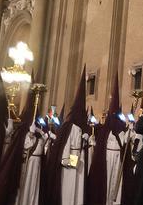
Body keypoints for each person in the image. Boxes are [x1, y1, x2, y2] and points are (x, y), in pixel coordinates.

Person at [39, 70, 91, 205]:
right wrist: (71, 160)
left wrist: (85, 140)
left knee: (78, 188)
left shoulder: (82, 127)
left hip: (80, 159)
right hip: (72, 160)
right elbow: (66, 145)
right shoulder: (69, 126)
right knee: (69, 188)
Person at [0, 85, 41, 205]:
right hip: (7, 154)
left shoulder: (3, 120)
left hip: (31, 164)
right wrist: (9, 132)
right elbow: (23, 146)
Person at [87, 74, 129, 205]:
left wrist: (130, 132)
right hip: (107, 157)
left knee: (116, 181)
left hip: (117, 157)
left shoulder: (121, 128)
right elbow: (98, 141)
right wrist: (93, 139)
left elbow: (124, 143)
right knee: (106, 180)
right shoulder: (105, 129)